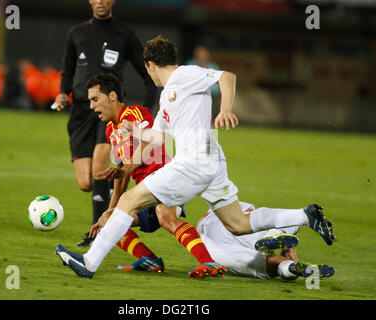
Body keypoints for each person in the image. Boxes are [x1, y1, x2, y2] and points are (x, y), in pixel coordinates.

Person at [57, 35, 335, 279]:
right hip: (210, 160)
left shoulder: (184, 74)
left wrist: (224, 109)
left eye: (147, 69)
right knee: (238, 223)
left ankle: (89, 263)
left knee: (128, 201)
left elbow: (228, 77)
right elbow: (158, 138)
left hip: (193, 161)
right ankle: (305, 216)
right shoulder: (168, 96)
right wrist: (134, 132)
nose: (149, 74)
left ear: (150, 65)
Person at [56, 72, 227, 279]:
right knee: (109, 224)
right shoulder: (111, 130)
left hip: (166, 181)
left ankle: (209, 263)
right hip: (144, 196)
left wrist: (127, 169)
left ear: (112, 96)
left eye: (94, 99)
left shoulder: (136, 113)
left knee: (166, 216)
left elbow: (149, 141)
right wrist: (110, 210)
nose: (92, 106)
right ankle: (150, 260)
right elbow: (121, 176)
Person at [53, 0, 157, 247]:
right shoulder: (76, 33)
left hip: (107, 111)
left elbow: (148, 74)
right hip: (80, 110)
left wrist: (150, 109)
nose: (100, 1)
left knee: (101, 160)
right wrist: (61, 93)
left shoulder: (124, 34)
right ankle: (115, 199)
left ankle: (98, 233)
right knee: (85, 183)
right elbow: (67, 69)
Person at [197, 201, 335, 280]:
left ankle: (287, 267)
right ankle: (277, 236)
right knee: (286, 221)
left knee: (266, 265)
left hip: (212, 239)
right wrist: (290, 248)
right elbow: (252, 212)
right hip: (228, 220)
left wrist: (291, 253)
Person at [186, 45, 220, 119]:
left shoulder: (213, 67)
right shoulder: (189, 64)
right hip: (191, 96)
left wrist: (203, 88)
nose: (202, 57)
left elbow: (216, 89)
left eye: (204, 55)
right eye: (199, 55)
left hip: (209, 97)